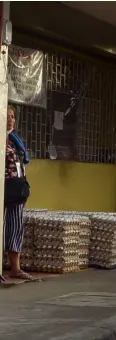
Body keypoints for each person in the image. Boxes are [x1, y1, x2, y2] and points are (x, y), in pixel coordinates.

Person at [3, 105, 33, 282]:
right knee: (2, 228)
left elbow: (22, 165)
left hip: (17, 190)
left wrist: (25, 191)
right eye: (6, 116)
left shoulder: (15, 140)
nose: (10, 119)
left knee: (15, 228)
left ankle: (15, 268)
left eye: (12, 116)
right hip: (2, 189)